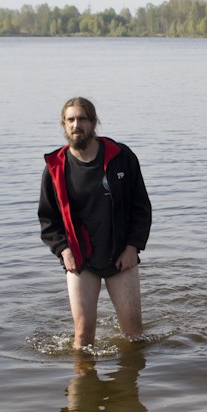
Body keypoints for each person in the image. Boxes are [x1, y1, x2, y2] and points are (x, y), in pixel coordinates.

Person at [39, 97, 152, 348]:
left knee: (134, 336)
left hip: (121, 257)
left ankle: (131, 383)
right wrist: (63, 250)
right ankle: (82, 382)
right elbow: (48, 218)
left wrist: (133, 247)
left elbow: (141, 206)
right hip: (81, 261)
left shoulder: (121, 157)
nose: (76, 125)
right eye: (70, 120)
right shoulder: (56, 168)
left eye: (82, 119)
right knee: (82, 337)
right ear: (64, 125)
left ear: (93, 123)